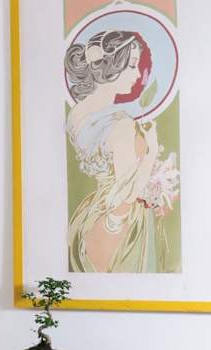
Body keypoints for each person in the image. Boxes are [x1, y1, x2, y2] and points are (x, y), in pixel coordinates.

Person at [65, 30, 178, 273]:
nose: (138, 74)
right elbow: (128, 192)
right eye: (132, 65)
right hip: (122, 224)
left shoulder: (76, 114)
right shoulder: (122, 125)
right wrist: (150, 150)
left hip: (90, 214)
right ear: (111, 65)